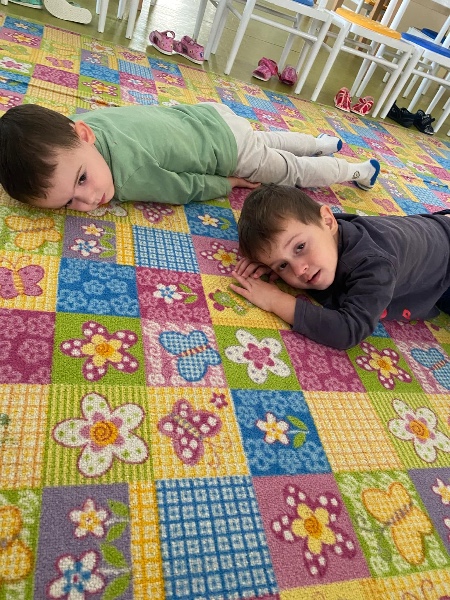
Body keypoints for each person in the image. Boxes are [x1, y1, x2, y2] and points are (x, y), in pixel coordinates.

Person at [0, 103, 380, 212]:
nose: (88, 200)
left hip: (227, 151)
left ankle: (354, 171)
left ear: (84, 136)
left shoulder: (128, 175)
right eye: (69, 203)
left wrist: (227, 183)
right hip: (209, 114)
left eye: (81, 181)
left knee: (289, 171)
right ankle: (320, 142)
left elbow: (184, 187)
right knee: (266, 139)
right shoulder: (87, 123)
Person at [230, 184, 450, 350]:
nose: (298, 270)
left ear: (328, 221)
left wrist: (276, 300)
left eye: (300, 247)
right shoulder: (320, 231)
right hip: (427, 235)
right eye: (283, 265)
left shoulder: (373, 265)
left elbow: (348, 330)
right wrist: (271, 261)